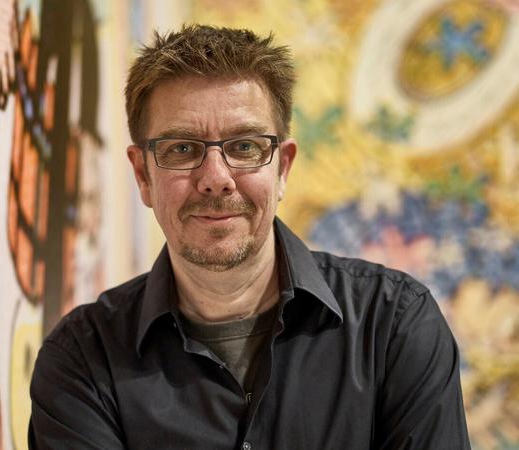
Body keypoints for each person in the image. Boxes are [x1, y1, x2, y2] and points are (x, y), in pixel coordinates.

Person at [29, 25, 471, 449]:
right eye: (182, 149)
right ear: (143, 175)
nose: (215, 179)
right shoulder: (83, 360)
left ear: (283, 169)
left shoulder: (394, 326)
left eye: (244, 147)